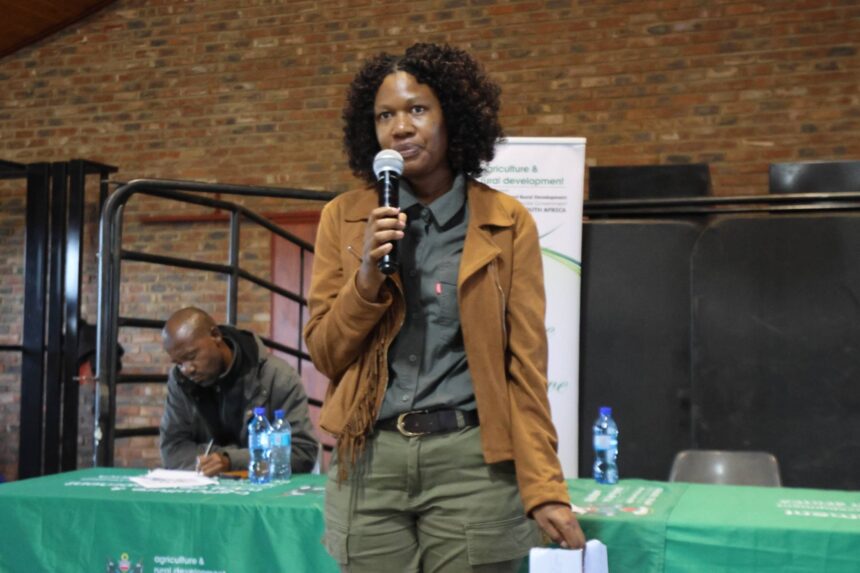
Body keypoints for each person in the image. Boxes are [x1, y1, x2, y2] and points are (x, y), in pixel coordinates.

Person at [304, 43, 585, 573]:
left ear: (452, 116)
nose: (400, 128)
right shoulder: (344, 219)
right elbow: (325, 352)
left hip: (472, 464)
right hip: (369, 462)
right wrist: (366, 277)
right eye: (385, 116)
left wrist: (544, 487)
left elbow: (525, 367)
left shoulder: (506, 221)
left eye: (417, 109)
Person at [159, 307, 317, 477]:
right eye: (179, 363)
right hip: (204, 486)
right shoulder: (180, 380)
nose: (187, 369)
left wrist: (230, 460)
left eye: (191, 356)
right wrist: (224, 460)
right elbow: (172, 450)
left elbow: (301, 452)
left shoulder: (278, 376)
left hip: (263, 488)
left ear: (215, 335)